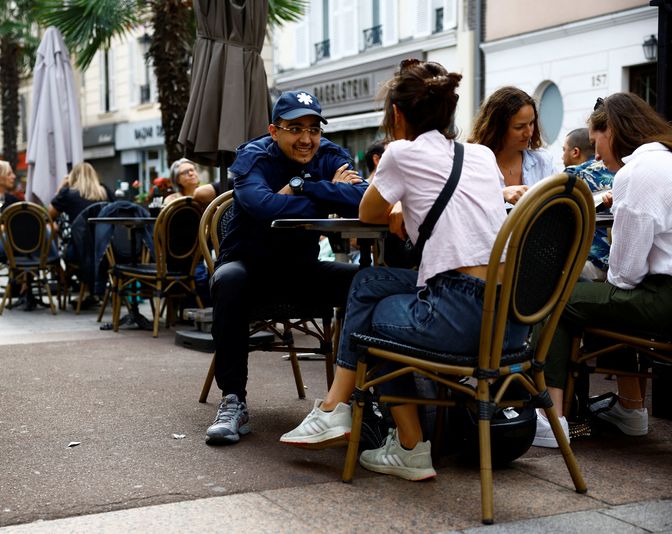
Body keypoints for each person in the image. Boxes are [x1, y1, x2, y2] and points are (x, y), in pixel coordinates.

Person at [280, 59, 530, 481]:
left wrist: (399, 201)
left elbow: (367, 211)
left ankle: (379, 430)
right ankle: (362, 422)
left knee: (372, 318)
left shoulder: (399, 153)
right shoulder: (482, 155)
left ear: (397, 115)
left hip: (460, 318)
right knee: (369, 282)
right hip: (512, 319)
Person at [205, 89, 367, 445]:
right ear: (274, 130)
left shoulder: (329, 154)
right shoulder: (253, 156)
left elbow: (361, 198)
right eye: (295, 129)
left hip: (301, 272)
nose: (306, 139)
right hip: (248, 269)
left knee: (367, 283)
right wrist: (326, 194)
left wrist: (299, 187)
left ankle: (360, 401)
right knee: (229, 280)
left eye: (313, 129)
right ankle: (233, 401)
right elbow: (260, 205)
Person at [538, 93, 672, 446]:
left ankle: (550, 419)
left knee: (560, 299)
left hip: (663, 299)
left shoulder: (637, 173)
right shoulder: (666, 162)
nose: (596, 155)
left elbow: (624, 274)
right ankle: (630, 408)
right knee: (603, 299)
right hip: (662, 294)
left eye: (597, 143)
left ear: (612, 131)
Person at [468, 86, 555, 205]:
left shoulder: (543, 161)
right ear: (497, 128)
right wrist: (500, 194)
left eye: (531, 123)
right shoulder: (473, 163)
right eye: (519, 127)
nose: (529, 133)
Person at [561, 127, 614, 281]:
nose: (562, 155)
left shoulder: (572, 176)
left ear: (575, 152)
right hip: (617, 265)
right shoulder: (617, 169)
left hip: (591, 264)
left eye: (564, 150)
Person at [48, 161, 113, 225]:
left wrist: (60, 188)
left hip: (79, 234)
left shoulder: (67, 193)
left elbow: (49, 216)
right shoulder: (105, 191)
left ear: (72, 177)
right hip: (104, 234)